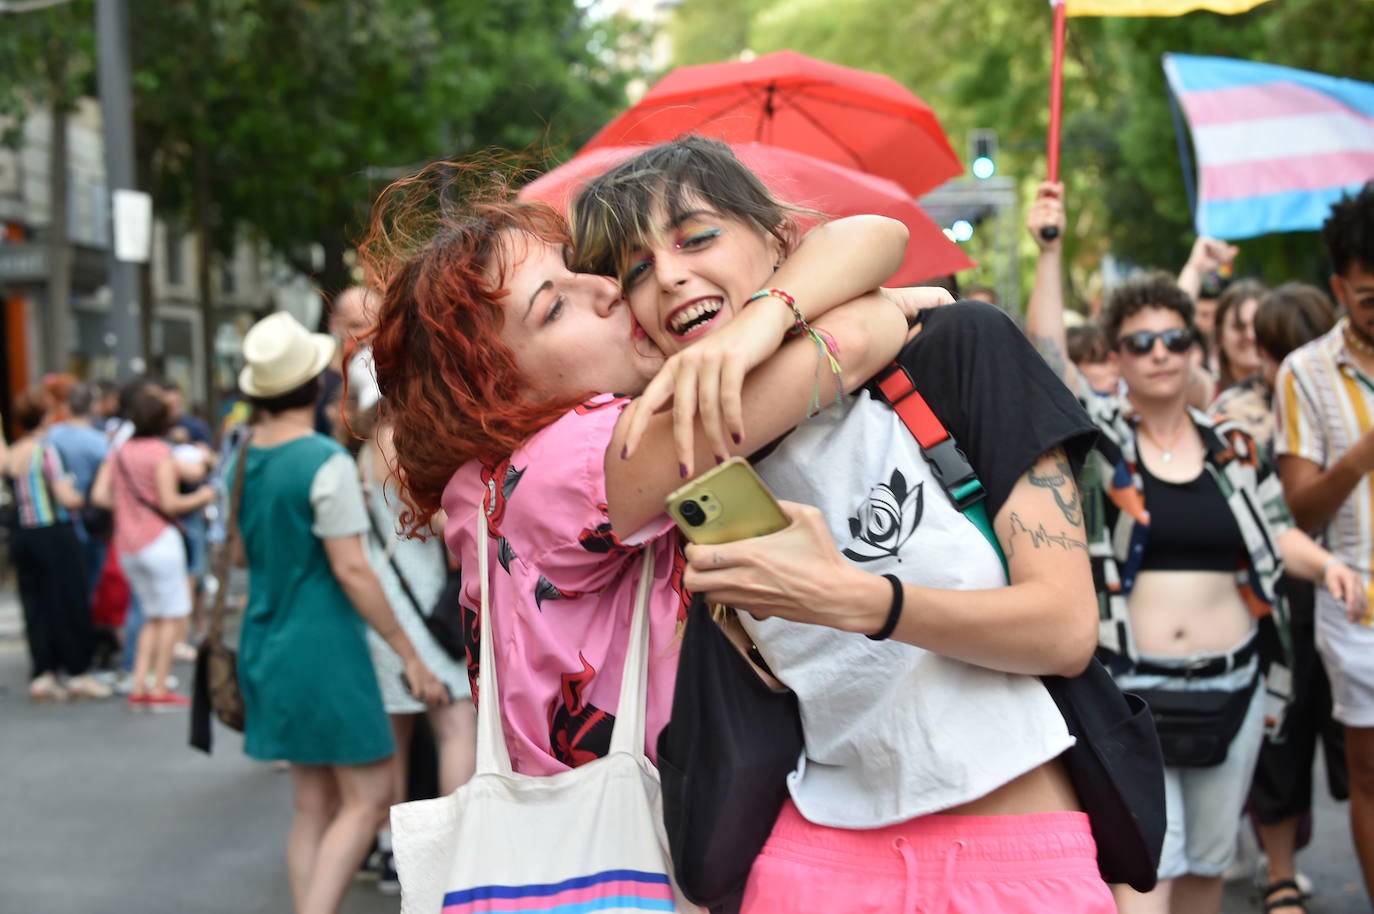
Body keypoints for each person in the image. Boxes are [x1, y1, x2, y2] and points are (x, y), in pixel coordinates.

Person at [570, 136, 1114, 912]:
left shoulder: (958, 352)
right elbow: (628, 493)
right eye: (634, 271)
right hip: (811, 860)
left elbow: (1063, 630)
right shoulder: (667, 448)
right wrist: (869, 312)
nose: (670, 275)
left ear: (780, 240)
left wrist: (857, 599)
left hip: (1014, 848)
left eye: (697, 237)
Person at [364, 156, 918, 782]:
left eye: (580, 272)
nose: (606, 291)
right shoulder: (565, 464)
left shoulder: (501, 484)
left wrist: (779, 315)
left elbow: (871, 236)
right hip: (638, 848)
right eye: (554, 309)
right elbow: (855, 343)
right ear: (500, 393)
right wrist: (877, 308)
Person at [1023, 181, 1362, 914]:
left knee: (1206, 872)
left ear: (1194, 347)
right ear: (1117, 355)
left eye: (1174, 339)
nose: (1159, 354)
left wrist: (1329, 564)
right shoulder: (1100, 444)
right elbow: (1047, 355)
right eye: (1139, 344)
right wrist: (1048, 250)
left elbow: (1279, 534)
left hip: (1232, 692)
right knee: (1144, 877)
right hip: (1130, 695)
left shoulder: (1235, 448)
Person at [231, 310, 446, 914]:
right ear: (311, 385)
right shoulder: (322, 463)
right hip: (324, 648)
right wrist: (407, 652)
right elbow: (352, 569)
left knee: (312, 804)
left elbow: (244, 550)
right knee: (370, 796)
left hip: (266, 638)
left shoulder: (244, 460)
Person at [1273, 180, 1374, 908]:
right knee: (1370, 775)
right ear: (1339, 286)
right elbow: (1300, 511)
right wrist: (1360, 456)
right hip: (1359, 597)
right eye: (1371, 297)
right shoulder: (1303, 372)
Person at [1228, 282, 1343, 912]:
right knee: (1284, 730)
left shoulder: (1346, 398)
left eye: (1280, 348)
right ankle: (1279, 874)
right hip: (1277, 597)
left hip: (1354, 585)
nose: (1270, 363)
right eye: (1269, 351)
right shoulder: (1233, 415)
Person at [91, 387, 216, 709]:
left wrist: (129, 506)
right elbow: (170, 502)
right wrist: (202, 497)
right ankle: (159, 686)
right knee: (171, 614)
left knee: (150, 615)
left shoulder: (118, 452)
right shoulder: (160, 452)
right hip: (159, 540)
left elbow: (100, 497)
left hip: (128, 543)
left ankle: (139, 683)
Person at [2, 386, 110, 701]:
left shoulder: (15, 451)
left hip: (23, 533)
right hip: (54, 531)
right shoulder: (46, 450)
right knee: (69, 601)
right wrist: (83, 496)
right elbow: (66, 497)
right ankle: (77, 671)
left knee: (35, 604)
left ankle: (44, 672)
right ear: (46, 415)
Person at [46, 382, 112, 599]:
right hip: (90, 519)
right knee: (90, 583)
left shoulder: (51, 436)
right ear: (93, 406)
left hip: (56, 519)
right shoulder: (99, 443)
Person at [1212, 278, 1267, 396]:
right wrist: (1194, 269)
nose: (1250, 335)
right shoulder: (1207, 392)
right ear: (1220, 335)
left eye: (1258, 324)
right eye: (1239, 326)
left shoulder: (1287, 392)